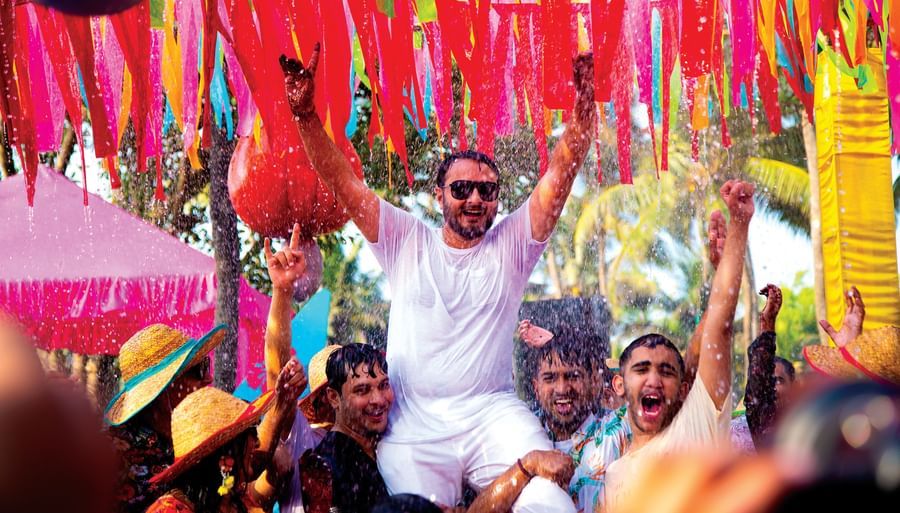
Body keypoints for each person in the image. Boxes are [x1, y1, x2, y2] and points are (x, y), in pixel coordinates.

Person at [281, 41, 597, 512]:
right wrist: (305, 115)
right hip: (413, 426)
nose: (475, 198)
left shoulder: (512, 244)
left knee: (550, 500)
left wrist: (584, 104)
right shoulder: (407, 240)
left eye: (487, 190)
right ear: (439, 195)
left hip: (493, 414)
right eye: (462, 188)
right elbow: (343, 182)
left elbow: (560, 173)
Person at [603, 180, 756, 512]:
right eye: (641, 369)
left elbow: (720, 327)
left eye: (667, 372)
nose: (654, 380)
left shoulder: (697, 424)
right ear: (619, 383)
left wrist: (739, 228)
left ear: (685, 386)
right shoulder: (612, 475)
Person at [145, 357, 305, 513]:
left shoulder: (233, 501)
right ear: (224, 452)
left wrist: (282, 404)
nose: (257, 443)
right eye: (252, 430)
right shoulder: (169, 510)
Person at [104, 323, 226, 512]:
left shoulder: (189, 437)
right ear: (163, 390)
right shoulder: (113, 455)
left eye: (205, 364)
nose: (208, 378)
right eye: (198, 370)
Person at [730, 284, 797, 452]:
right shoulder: (743, 430)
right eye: (767, 380)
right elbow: (759, 393)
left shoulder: (810, 425)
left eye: (777, 380)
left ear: (793, 389)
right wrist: (767, 326)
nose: (770, 386)